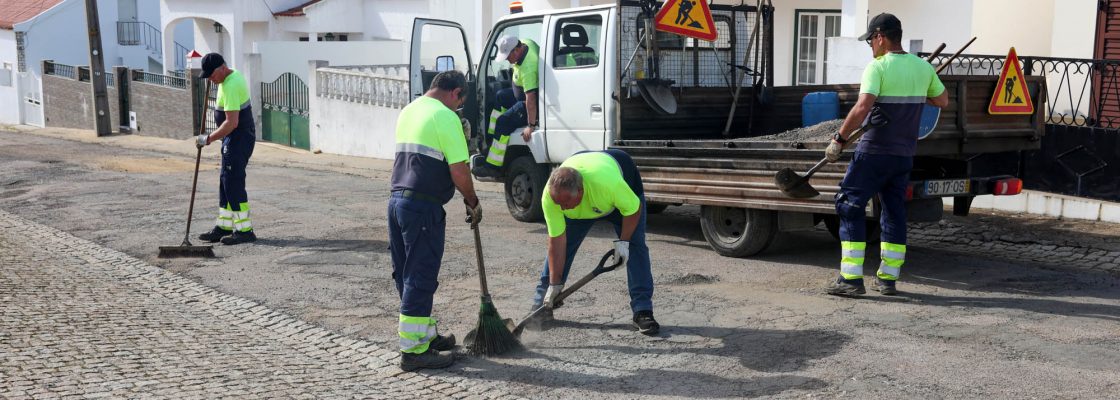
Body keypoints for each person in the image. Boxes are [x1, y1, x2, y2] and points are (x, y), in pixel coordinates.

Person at [825, 13, 948, 297]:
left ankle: (851, 280)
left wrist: (839, 139)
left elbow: (862, 107)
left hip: (875, 152)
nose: (870, 46)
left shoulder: (877, 67)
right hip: (904, 155)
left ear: (880, 37)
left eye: (870, 40)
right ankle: (888, 280)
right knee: (894, 214)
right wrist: (918, 92)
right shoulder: (922, 67)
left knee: (849, 206)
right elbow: (942, 100)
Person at [388, 70, 482, 371]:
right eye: (460, 102)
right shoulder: (445, 116)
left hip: (397, 201)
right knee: (421, 274)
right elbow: (459, 169)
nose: (459, 108)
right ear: (456, 93)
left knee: (408, 272)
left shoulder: (409, 110)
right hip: (422, 206)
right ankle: (414, 352)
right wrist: (472, 201)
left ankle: (425, 335)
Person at [531, 150, 659, 335]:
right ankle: (541, 306)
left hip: (619, 193)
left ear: (580, 192)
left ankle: (643, 310)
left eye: (565, 203)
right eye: (557, 203)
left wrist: (623, 243)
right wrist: (554, 283)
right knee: (563, 248)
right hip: (586, 197)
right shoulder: (552, 198)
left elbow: (633, 210)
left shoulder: (608, 185)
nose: (561, 208)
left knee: (636, 247)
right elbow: (557, 243)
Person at [195, 53, 258, 245]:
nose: (210, 79)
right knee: (225, 182)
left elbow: (231, 123)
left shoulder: (230, 85)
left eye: (212, 75)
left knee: (233, 182)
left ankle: (245, 230)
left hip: (238, 138)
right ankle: (223, 226)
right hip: (233, 139)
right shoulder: (226, 79)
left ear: (222, 68)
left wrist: (208, 139)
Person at [471, 35, 540, 178]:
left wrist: (531, 125)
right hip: (520, 96)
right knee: (500, 96)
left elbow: (531, 99)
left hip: (530, 105)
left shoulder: (529, 67)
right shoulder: (526, 43)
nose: (508, 60)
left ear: (517, 50)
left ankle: (493, 166)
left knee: (503, 122)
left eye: (508, 56)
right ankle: (490, 142)